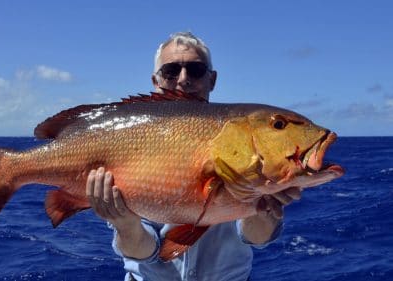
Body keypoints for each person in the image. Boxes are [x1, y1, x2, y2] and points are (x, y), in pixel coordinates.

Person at [85, 32, 302, 281]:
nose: (183, 79)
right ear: (156, 81)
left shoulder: (242, 136)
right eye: (171, 71)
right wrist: (125, 224)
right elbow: (143, 252)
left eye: (196, 70)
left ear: (212, 79)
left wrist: (264, 209)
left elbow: (256, 238)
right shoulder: (130, 139)